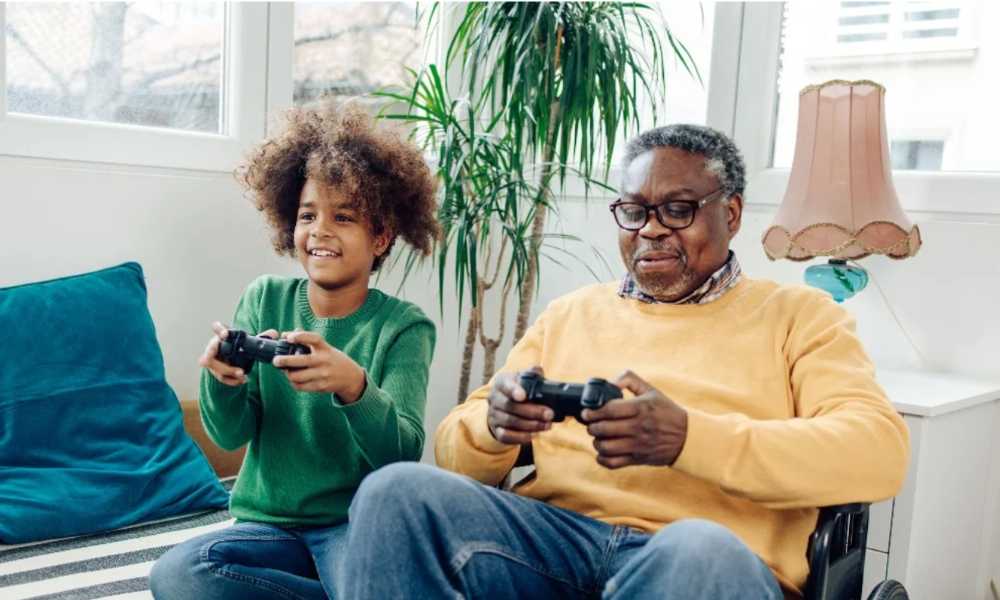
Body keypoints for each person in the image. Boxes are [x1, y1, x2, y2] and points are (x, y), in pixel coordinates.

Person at [338, 124, 910, 600]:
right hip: (557, 543)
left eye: (678, 210)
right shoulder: (571, 313)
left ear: (732, 213)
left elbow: (877, 452)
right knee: (395, 494)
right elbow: (457, 455)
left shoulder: (800, 317)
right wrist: (494, 427)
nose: (651, 229)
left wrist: (687, 439)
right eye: (634, 212)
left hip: (701, 558)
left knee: (698, 550)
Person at [150, 101, 440, 600]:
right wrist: (222, 380)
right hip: (268, 528)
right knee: (178, 574)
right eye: (308, 215)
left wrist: (354, 387)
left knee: (380, 584)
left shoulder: (404, 327)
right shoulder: (264, 297)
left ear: (381, 236)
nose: (320, 230)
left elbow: (402, 454)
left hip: (352, 526)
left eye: (343, 216)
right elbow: (230, 433)